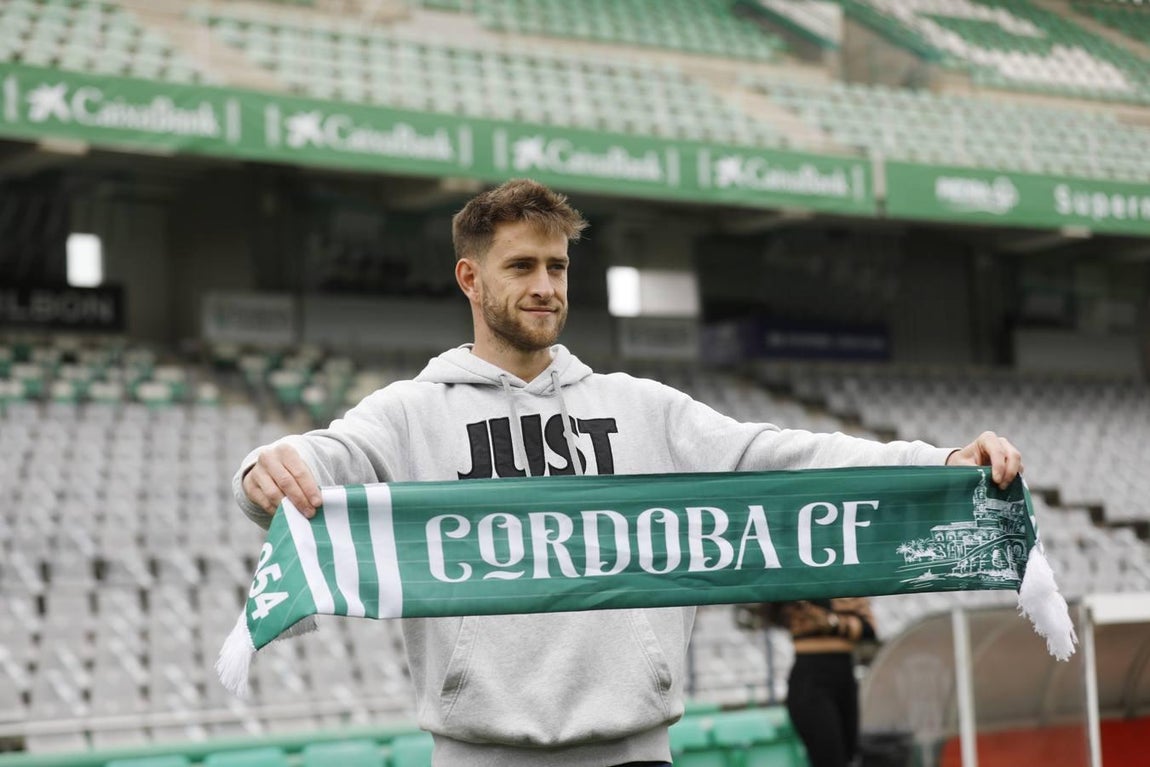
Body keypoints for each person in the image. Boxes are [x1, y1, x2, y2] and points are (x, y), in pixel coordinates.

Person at [233, 178, 1023, 767]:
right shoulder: (412, 411)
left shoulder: (642, 408)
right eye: (521, 266)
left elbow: (780, 456)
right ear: (471, 279)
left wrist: (937, 463)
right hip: (479, 751)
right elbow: (323, 457)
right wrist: (266, 469)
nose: (545, 285)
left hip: (637, 749)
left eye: (558, 266)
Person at [767, 598, 877, 767]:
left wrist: (833, 623)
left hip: (844, 674)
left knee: (849, 755)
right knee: (829, 756)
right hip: (810, 677)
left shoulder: (850, 586)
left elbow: (869, 629)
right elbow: (775, 611)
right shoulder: (800, 585)